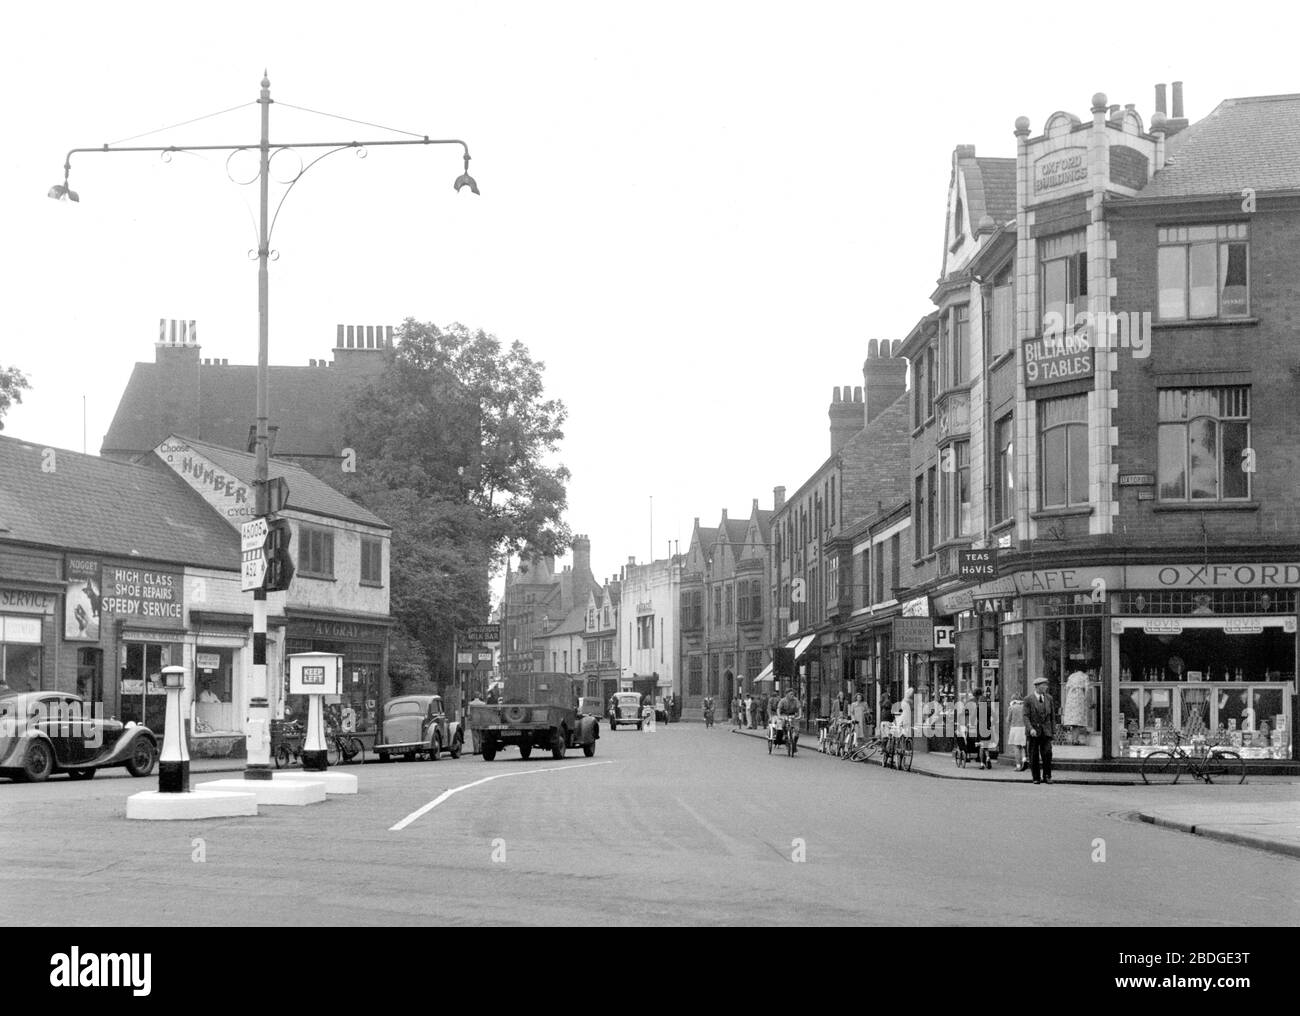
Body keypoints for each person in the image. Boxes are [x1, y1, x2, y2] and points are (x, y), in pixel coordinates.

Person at [1024, 675, 1056, 784]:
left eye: (1046, 685)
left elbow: (1052, 716)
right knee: (1033, 755)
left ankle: (1047, 776)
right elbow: (1026, 716)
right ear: (1037, 687)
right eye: (1044, 685)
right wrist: (1030, 729)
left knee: (1047, 753)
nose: (1046, 687)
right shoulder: (1028, 699)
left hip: (1046, 731)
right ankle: (1036, 777)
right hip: (1034, 731)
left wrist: (1053, 731)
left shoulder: (1049, 698)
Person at [777, 688, 802, 754]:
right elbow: (778, 709)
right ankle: (785, 735)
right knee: (783, 724)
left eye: (793, 694)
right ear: (787, 694)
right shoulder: (783, 700)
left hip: (793, 715)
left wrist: (800, 715)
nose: (792, 695)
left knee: (797, 730)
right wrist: (779, 716)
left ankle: (794, 744)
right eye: (791, 694)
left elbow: (799, 708)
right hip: (785, 714)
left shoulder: (796, 700)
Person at [1007, 696, 1027, 771]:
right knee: (1023, 746)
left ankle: (1018, 765)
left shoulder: (1011, 707)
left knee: (1016, 747)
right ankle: (1024, 759)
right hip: (1024, 728)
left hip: (1015, 728)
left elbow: (1008, 719)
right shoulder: (1024, 707)